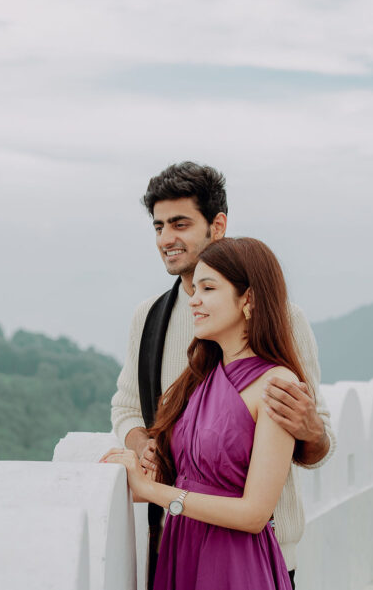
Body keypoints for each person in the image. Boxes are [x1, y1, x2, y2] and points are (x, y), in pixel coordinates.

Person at [109, 162, 335, 588]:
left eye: (180, 224)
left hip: (257, 553)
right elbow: (127, 409)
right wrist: (145, 448)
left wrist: (311, 431)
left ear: (217, 226)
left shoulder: (284, 319)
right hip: (177, 542)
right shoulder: (151, 318)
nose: (166, 239)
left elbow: (318, 442)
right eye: (158, 226)